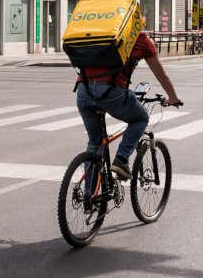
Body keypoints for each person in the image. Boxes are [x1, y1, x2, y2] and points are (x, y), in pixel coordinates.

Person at [76, 30, 182, 181]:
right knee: (141, 118)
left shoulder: (97, 31)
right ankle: (121, 159)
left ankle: (89, 198)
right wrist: (173, 97)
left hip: (83, 90)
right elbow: (161, 74)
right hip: (111, 91)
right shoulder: (141, 39)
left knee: (94, 143)